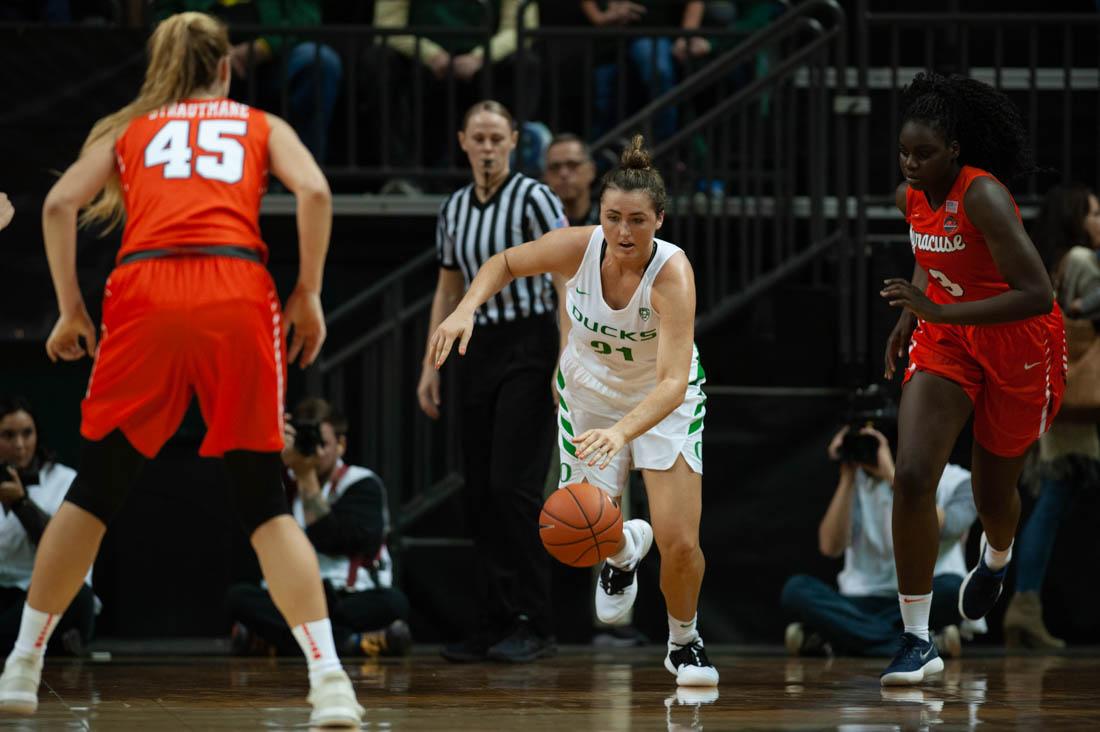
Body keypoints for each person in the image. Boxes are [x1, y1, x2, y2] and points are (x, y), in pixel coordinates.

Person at [0, 13, 362, 726]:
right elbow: (316, 192)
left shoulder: (131, 131)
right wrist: (309, 292)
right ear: (225, 67)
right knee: (263, 498)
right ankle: (329, 682)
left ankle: (21, 667)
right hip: (234, 289)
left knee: (96, 491)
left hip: (143, 290)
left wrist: (72, 309)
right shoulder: (256, 123)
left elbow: (58, 204)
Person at [430, 134, 719, 687]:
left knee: (680, 541)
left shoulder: (672, 276)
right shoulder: (579, 246)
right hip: (588, 392)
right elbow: (504, 262)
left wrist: (621, 432)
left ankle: (684, 641)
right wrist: (465, 309)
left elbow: (672, 383)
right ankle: (621, 552)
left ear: (660, 218)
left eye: (637, 220)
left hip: (664, 397)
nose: (623, 232)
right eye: (613, 218)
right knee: (583, 535)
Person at [879, 71, 1065, 686]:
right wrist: (911, 318)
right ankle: (916, 639)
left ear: (954, 150)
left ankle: (997, 557)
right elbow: (929, 254)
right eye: (904, 151)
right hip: (948, 337)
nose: (911, 163)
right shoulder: (914, 194)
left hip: (1019, 345)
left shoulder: (982, 194)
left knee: (992, 496)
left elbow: (1037, 294)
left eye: (924, 153)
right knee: (911, 476)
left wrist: (936, 309)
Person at [417, 99, 566, 664]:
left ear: (513, 142)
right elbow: (446, 288)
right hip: (474, 348)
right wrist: (430, 363)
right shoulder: (454, 207)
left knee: (513, 487)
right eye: (476, 137)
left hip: (529, 343)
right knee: (478, 492)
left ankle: (536, 618)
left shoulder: (535, 197)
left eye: (495, 138)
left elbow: (563, 280)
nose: (486, 146)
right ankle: (494, 617)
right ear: (462, 142)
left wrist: (563, 357)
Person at [227, 397, 412, 659]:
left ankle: (279, 642)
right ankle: (350, 643)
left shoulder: (362, 484)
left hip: (347, 596)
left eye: (321, 444)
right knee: (239, 598)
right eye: (306, 443)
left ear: (341, 444)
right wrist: (271, 455)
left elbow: (332, 539)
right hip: (295, 596)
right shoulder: (280, 484)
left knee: (393, 604)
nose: (315, 452)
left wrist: (306, 477)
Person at [781, 425, 976, 658]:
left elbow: (949, 526)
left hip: (923, 597)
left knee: (957, 591)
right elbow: (830, 546)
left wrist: (892, 475)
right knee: (797, 590)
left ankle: (837, 637)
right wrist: (847, 477)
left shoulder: (958, 480)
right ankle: (921, 643)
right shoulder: (857, 484)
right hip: (861, 599)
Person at [1004, 184, 1100, 649]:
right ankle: (1024, 603)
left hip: (1050, 389)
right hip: (1073, 397)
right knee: (1056, 495)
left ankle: (1025, 604)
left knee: (1054, 499)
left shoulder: (1054, 263)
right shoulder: (1081, 260)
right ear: (1075, 218)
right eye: (1095, 213)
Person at [153, 0, 343, 163]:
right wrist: (207, 46)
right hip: (203, 61)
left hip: (276, 60)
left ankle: (301, 173)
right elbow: (165, 19)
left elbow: (306, 18)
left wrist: (264, 47)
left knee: (319, 61)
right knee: (170, 70)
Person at [364, 0, 540, 174]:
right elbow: (387, 27)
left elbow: (518, 29)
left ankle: (507, 169)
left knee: (525, 63)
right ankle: (400, 173)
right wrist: (430, 54)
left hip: (484, 63)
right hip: (420, 62)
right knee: (379, 60)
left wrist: (479, 57)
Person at [0, 397, 96, 658]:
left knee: (76, 596)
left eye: (26, 433)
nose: (19, 445)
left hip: (49, 595)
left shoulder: (63, 480)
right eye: (8, 435)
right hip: (5, 596)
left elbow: (65, 551)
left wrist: (21, 504)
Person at [581, 1, 709, 142]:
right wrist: (600, 17)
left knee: (659, 73)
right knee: (604, 108)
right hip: (610, 40)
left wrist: (687, 36)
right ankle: (601, 160)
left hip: (653, 33)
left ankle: (665, 147)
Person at [544, 133, 599, 226]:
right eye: (555, 167)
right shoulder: (538, 225)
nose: (563, 173)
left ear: (591, 171)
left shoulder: (609, 222)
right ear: (546, 176)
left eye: (572, 165)